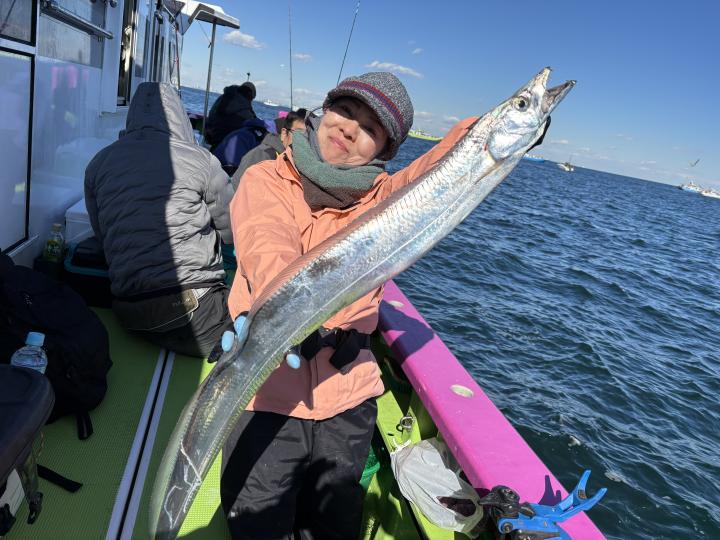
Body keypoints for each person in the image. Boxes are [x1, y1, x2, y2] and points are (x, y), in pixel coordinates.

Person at [218, 72, 487, 539]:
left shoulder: (387, 202)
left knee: (335, 526)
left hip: (348, 395)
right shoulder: (266, 178)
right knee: (257, 523)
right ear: (324, 111)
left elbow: (442, 170)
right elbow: (267, 253)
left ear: (384, 149)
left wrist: (494, 129)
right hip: (266, 385)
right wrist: (289, 314)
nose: (349, 128)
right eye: (345, 110)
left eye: (370, 128)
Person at [84, 82, 234, 358]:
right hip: (197, 311)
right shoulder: (202, 160)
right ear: (179, 115)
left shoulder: (99, 163)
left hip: (129, 312)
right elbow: (231, 229)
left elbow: (103, 235)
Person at [230, 111, 306, 189]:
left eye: (307, 137)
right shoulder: (262, 155)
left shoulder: (296, 161)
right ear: (284, 133)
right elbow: (239, 188)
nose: (303, 141)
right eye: (298, 134)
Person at [205, 81, 258, 149]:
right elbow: (253, 124)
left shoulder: (223, 98)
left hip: (213, 137)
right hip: (229, 144)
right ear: (250, 95)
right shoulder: (245, 109)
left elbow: (211, 114)